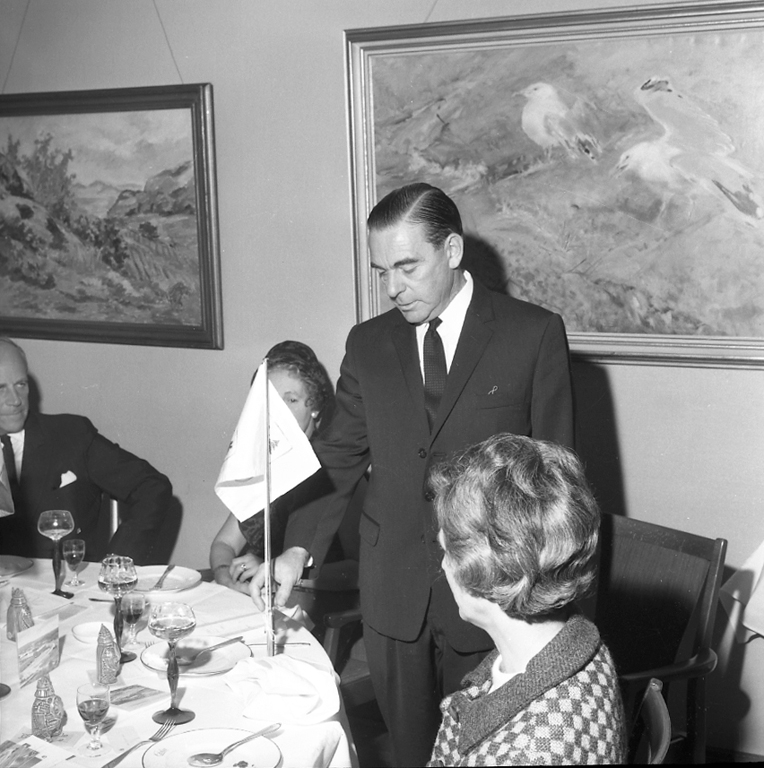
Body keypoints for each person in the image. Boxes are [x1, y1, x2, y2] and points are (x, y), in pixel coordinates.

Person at [251, 182, 574, 766]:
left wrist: (544, 610)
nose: (393, 289)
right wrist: (296, 550)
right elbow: (338, 458)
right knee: (408, 754)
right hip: (393, 592)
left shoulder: (532, 335)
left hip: (492, 598)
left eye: (407, 267)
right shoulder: (368, 344)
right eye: (382, 272)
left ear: (451, 250)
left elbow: (558, 486)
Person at [428, 433, 625, 766]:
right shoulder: (577, 644)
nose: (444, 566)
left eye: (447, 552)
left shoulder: (524, 753)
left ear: (481, 572)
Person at [0, 337, 173, 565]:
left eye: (21, 384)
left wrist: (118, 561)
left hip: (63, 581)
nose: (15, 400)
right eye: (0, 388)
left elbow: (152, 486)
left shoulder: (71, 436)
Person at [209, 340, 334, 593]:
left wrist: (271, 568)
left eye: (291, 399)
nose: (279, 412)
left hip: (318, 604)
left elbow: (355, 567)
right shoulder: (267, 466)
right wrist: (225, 576)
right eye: (271, 402)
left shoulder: (335, 470)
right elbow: (224, 544)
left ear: (315, 408)